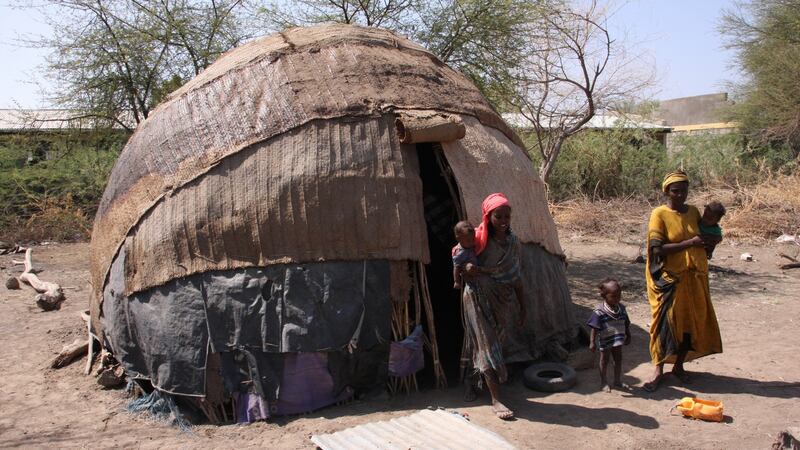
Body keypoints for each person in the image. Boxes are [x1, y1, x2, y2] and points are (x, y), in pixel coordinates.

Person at [643, 171, 722, 392]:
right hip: (669, 279)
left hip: (694, 278)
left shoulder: (695, 212)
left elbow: (706, 236)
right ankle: (658, 369)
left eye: (684, 190)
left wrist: (712, 241)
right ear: (666, 191)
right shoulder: (659, 214)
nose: (680, 195)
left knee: (689, 323)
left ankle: (678, 366)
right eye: (675, 191)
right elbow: (657, 249)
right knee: (664, 324)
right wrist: (691, 243)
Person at [460, 193, 526, 420]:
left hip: (502, 300)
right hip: (477, 297)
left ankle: (470, 380)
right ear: (489, 217)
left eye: (507, 216)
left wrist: (523, 306)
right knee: (486, 345)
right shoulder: (477, 239)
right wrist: (467, 268)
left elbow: (515, 275)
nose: (504, 220)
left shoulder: (514, 243)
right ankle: (496, 399)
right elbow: (459, 258)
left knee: (488, 343)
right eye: (498, 216)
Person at [587, 279, 631, 393]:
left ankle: (617, 380)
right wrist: (592, 342)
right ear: (604, 296)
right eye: (614, 296)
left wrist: (628, 334)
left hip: (618, 339)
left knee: (618, 359)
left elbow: (626, 322)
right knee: (604, 360)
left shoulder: (621, 308)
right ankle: (603, 382)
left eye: (619, 295)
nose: (617, 298)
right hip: (606, 340)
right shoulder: (599, 311)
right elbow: (595, 328)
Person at [452, 221, 477, 290]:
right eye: (468, 240)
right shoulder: (459, 253)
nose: (472, 242)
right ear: (458, 239)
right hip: (469, 276)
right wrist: (456, 281)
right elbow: (456, 268)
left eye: (473, 239)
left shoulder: (470, 243)